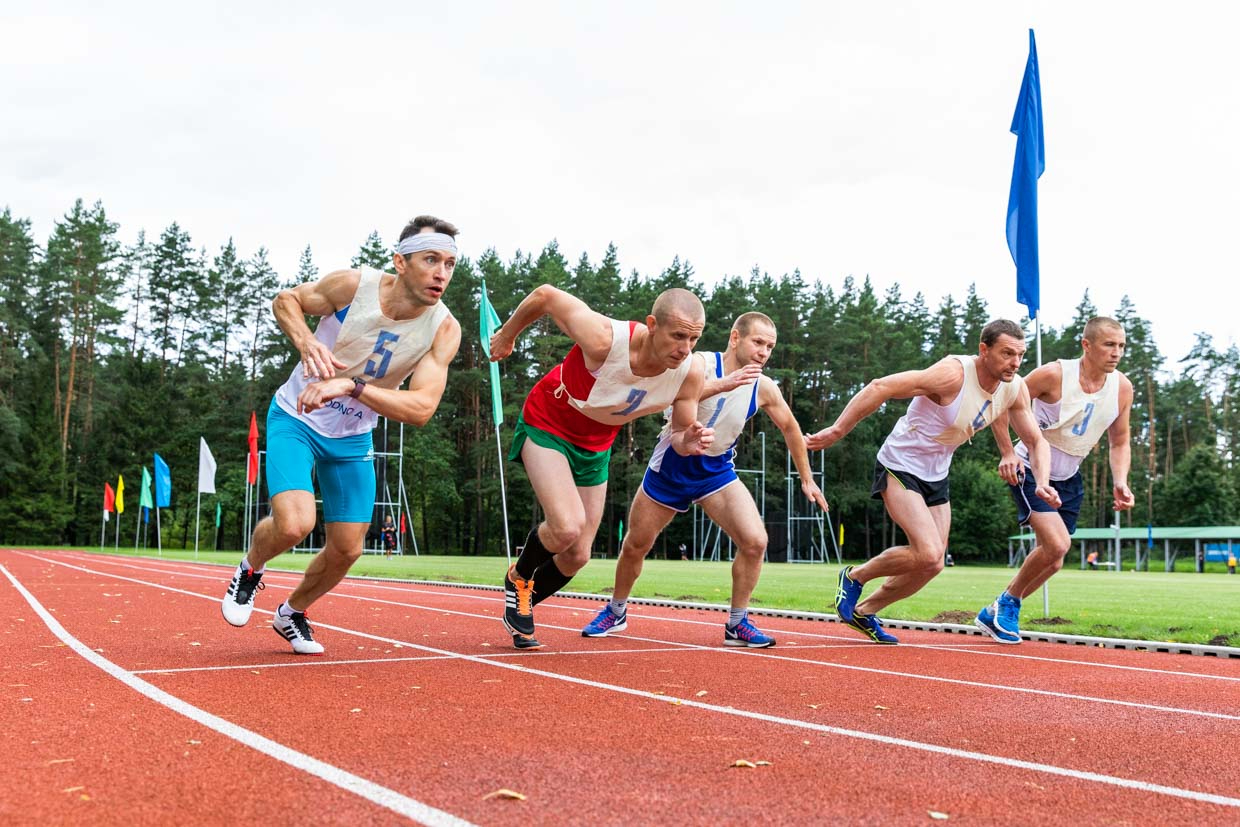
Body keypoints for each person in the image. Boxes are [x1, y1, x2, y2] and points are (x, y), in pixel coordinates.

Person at [220, 216, 462, 654]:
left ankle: (291, 613)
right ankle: (251, 568)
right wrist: (306, 342)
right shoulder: (353, 287)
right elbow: (286, 300)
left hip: (352, 437)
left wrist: (351, 386)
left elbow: (423, 408)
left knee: (348, 549)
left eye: (449, 263)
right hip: (297, 416)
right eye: (431, 259)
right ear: (401, 262)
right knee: (295, 524)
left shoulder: (443, 329)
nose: (441, 272)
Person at [488, 285, 718, 649]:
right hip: (549, 422)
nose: (685, 348)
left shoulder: (688, 373)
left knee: (578, 554)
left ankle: (524, 601)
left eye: (694, 338)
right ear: (652, 325)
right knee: (565, 527)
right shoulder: (604, 339)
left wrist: (685, 442)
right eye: (677, 336)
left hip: (596, 445)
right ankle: (518, 577)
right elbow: (546, 295)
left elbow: (679, 431)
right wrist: (507, 335)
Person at [581, 312, 828, 647]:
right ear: (735, 337)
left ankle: (737, 623)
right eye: (758, 342)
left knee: (755, 541)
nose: (764, 352)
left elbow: (790, 427)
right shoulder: (698, 364)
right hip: (673, 464)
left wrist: (807, 479)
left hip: (716, 471)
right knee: (636, 544)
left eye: (770, 346)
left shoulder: (764, 387)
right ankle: (616, 609)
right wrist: (726, 383)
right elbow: (669, 395)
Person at [806, 319, 1059, 644]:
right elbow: (879, 386)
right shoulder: (951, 374)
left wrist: (1040, 480)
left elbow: (1036, 441)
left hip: (936, 473)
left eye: (1020, 355)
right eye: (1008, 353)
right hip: (901, 463)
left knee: (933, 563)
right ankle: (854, 576)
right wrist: (838, 430)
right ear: (984, 350)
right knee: (926, 552)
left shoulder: (1014, 387)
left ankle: (864, 611)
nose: (1016, 362)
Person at [976, 316, 1133, 643]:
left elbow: (1120, 441)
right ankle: (1008, 603)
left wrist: (1120, 481)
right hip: (1030, 468)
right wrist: (1007, 452)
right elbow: (1002, 402)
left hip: (1070, 478)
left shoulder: (1122, 388)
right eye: (1108, 345)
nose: (1116, 353)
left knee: (1056, 558)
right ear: (1086, 345)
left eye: (1120, 346)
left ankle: (998, 608)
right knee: (1057, 544)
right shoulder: (1054, 374)